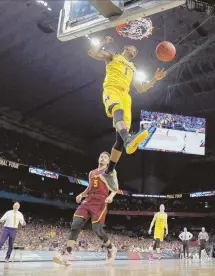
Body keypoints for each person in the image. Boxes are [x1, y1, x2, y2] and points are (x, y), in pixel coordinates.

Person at [88, 36, 167, 189]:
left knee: (119, 140)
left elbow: (141, 88)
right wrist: (103, 42)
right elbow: (92, 53)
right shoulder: (113, 56)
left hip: (126, 96)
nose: (135, 51)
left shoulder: (133, 68)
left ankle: (109, 171)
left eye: (136, 51)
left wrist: (154, 79)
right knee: (117, 113)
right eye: (133, 48)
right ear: (126, 48)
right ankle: (129, 139)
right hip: (112, 89)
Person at [53, 152, 118, 266]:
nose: (102, 158)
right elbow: (90, 187)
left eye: (105, 157)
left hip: (100, 202)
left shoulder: (110, 172)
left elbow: (115, 188)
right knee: (76, 224)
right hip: (88, 200)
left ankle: (111, 248)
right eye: (101, 156)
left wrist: (110, 197)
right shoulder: (92, 172)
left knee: (97, 229)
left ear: (108, 161)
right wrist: (81, 194)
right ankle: (67, 253)